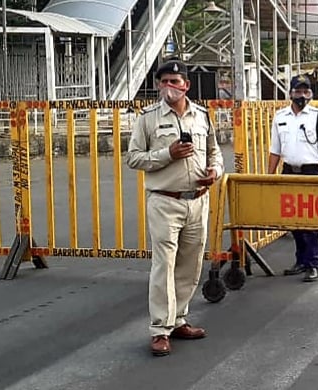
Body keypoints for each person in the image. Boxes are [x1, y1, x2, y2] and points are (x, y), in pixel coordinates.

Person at [127, 59, 224, 356]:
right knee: (164, 266)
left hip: (196, 200)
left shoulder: (202, 116)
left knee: (190, 265)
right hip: (164, 201)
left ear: (187, 85)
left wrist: (215, 172)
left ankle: (178, 319)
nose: (170, 86)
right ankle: (160, 329)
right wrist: (167, 154)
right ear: (159, 85)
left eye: (176, 81)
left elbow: (214, 152)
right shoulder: (148, 118)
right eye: (165, 81)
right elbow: (134, 158)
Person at [267, 75, 318, 283]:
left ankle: (313, 263)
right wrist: (269, 178)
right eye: (298, 91)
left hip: (311, 172)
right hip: (289, 171)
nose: (302, 96)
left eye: (306, 92)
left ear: (311, 94)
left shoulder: (317, 116)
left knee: (311, 221)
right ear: (291, 93)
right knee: (292, 219)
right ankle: (301, 260)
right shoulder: (280, 117)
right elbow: (275, 150)